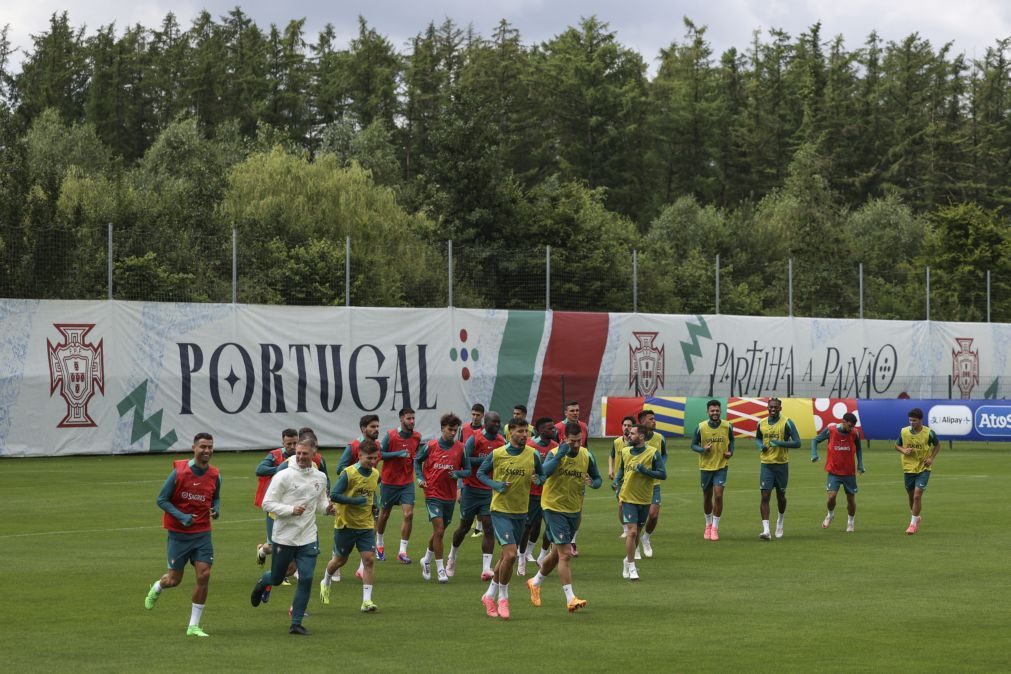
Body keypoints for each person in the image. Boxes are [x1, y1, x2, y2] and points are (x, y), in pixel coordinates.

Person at [250, 436, 332, 635]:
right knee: (278, 578)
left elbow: (320, 504)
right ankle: (264, 581)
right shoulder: (284, 475)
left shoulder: (319, 477)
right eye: (298, 453)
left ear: (314, 454)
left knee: (306, 577)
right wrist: (290, 509)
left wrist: (329, 508)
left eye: (305, 454)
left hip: (308, 536)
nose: (301, 457)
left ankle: (296, 623)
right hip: (284, 536)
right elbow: (267, 503)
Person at [143, 433, 220, 638]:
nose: (207, 451)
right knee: (174, 580)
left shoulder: (215, 474)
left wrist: (216, 509)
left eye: (210, 447)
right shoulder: (179, 472)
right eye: (203, 447)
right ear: (193, 448)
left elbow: (216, 498)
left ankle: (193, 625)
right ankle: (158, 586)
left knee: (204, 574)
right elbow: (161, 499)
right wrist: (182, 516)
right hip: (179, 534)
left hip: (202, 533)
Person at [527, 422, 601, 611]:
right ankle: (570, 598)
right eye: (572, 441)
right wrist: (560, 454)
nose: (576, 445)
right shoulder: (554, 454)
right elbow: (544, 473)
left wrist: (593, 483)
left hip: (574, 510)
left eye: (579, 440)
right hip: (553, 508)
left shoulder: (587, 455)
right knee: (565, 554)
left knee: (555, 552)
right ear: (563, 439)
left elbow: (598, 479)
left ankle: (535, 582)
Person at [476, 418, 545, 619]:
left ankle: (488, 595)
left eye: (527, 431)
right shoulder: (498, 454)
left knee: (505, 557)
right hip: (500, 510)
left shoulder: (533, 455)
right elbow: (481, 473)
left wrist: (538, 479)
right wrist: (496, 485)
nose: (525, 435)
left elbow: (542, 476)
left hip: (520, 512)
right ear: (511, 432)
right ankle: (503, 599)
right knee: (512, 555)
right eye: (521, 431)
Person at [320, 439, 381, 613]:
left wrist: (375, 506)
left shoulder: (376, 474)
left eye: (375, 458)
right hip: (345, 524)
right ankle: (326, 580)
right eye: (369, 458)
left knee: (369, 560)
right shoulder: (349, 473)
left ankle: (366, 601)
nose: (372, 461)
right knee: (340, 560)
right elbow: (335, 495)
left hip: (366, 525)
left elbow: (371, 493)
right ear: (359, 456)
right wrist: (354, 501)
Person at [448, 411, 505, 580]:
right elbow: (464, 461)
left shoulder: (501, 441)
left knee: (488, 527)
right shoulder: (475, 439)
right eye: (494, 422)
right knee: (464, 527)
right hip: (471, 489)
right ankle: (452, 556)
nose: (497, 425)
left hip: (488, 490)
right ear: (486, 423)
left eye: (498, 422)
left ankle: (486, 568)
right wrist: (486, 461)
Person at [415, 413, 470, 582]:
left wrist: (458, 474)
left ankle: (426, 559)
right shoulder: (431, 446)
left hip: (449, 495)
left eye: (455, 430)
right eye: (449, 429)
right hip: (432, 493)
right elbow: (417, 461)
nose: (452, 433)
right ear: (442, 429)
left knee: (440, 531)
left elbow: (468, 471)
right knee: (439, 530)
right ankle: (440, 569)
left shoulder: (461, 448)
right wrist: (420, 478)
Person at [613, 424, 666, 580]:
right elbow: (622, 469)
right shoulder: (625, 451)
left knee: (637, 534)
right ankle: (632, 566)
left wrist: (645, 471)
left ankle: (626, 561)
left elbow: (663, 474)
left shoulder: (653, 453)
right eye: (629, 433)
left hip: (644, 499)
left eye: (633, 433)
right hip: (627, 497)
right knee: (632, 532)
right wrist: (616, 480)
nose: (629, 435)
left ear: (641, 436)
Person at [335, 414, 382, 580]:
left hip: (369, 496)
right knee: (344, 532)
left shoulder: (377, 446)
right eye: (372, 427)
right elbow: (340, 468)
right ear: (363, 429)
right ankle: (335, 565)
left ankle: (363, 567)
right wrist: (354, 479)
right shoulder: (353, 446)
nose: (376, 429)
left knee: (372, 527)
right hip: (351, 497)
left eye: (377, 426)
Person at [376, 408, 422, 564]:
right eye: (409, 418)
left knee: (409, 514)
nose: (412, 421)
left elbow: (415, 456)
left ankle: (402, 551)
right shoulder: (391, 436)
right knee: (384, 515)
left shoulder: (417, 437)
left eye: (413, 418)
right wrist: (398, 454)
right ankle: (379, 544)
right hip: (389, 482)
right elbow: (380, 455)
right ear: (401, 419)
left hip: (407, 482)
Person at [755, 398, 800, 540]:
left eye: (776, 407)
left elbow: (797, 443)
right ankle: (766, 530)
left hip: (781, 465)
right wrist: (760, 446)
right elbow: (757, 438)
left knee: (781, 497)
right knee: (765, 496)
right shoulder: (761, 423)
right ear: (767, 408)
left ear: (780, 408)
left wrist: (778, 443)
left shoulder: (787, 422)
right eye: (770, 407)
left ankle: (780, 521)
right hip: (766, 464)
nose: (773, 409)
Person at [811, 412, 864, 532]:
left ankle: (850, 522)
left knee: (851, 499)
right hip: (834, 471)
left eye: (852, 426)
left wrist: (860, 464)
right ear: (843, 422)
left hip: (849, 472)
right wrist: (814, 454)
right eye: (849, 426)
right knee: (831, 496)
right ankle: (830, 514)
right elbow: (815, 440)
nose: (851, 428)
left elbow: (859, 449)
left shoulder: (854, 433)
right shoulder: (831, 430)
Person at [691, 400, 735, 541]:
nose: (715, 413)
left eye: (717, 410)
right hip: (705, 467)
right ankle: (708, 525)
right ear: (708, 412)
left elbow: (732, 441)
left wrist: (730, 451)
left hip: (721, 466)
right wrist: (703, 449)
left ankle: (715, 528)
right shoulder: (701, 427)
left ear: (720, 411)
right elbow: (693, 445)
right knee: (706, 497)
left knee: (718, 495)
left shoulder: (727, 426)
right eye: (712, 411)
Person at [518, 417, 557, 576]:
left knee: (550, 527)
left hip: (549, 494)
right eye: (549, 428)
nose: (553, 430)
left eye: (553, 428)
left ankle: (541, 556)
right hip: (532, 494)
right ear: (540, 431)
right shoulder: (530, 446)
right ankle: (521, 559)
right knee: (527, 526)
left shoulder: (556, 448)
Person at [254, 429, 298, 565]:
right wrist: (280, 469)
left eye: (295, 443)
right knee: (275, 544)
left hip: (292, 503)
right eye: (288, 443)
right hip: (274, 503)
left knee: (295, 539)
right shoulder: (275, 455)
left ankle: (291, 570)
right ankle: (263, 551)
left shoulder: (302, 455)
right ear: (282, 442)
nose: (292, 447)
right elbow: (259, 469)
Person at [894, 408, 940, 534]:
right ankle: (916, 517)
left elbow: (937, 445)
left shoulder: (929, 433)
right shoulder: (904, 432)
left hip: (923, 468)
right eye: (910, 420)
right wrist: (903, 450)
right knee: (911, 496)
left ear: (920, 420)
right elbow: (896, 445)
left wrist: (931, 458)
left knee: (917, 495)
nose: (912, 423)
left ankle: (912, 525)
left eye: (914, 420)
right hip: (908, 468)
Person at [638, 409, 667, 556]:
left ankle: (646, 538)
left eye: (654, 419)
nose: (654, 421)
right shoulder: (635, 437)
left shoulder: (660, 438)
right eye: (651, 419)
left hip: (654, 482)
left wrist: (660, 466)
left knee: (654, 514)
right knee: (638, 517)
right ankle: (634, 543)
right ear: (642, 422)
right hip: (637, 484)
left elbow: (664, 455)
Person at [460, 403, 486, 538]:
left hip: (481, 471)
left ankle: (478, 527)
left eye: (478, 415)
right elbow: (459, 446)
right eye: (473, 414)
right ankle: (470, 521)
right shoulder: (463, 428)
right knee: (460, 498)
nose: (475, 417)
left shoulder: (485, 431)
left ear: (482, 416)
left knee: (480, 500)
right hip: (465, 469)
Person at [610, 416, 635, 538]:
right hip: (619, 479)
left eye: (629, 425)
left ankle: (632, 526)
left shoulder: (635, 444)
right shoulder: (616, 442)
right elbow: (612, 456)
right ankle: (625, 528)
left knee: (628, 504)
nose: (626, 427)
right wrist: (611, 469)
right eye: (625, 425)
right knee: (620, 505)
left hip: (632, 478)